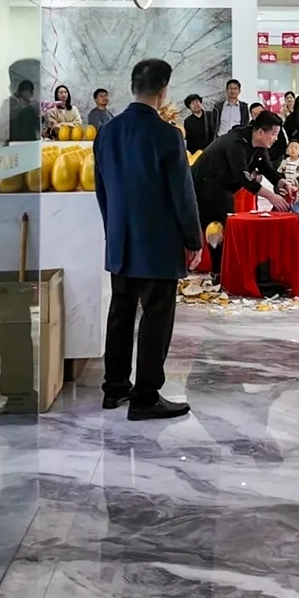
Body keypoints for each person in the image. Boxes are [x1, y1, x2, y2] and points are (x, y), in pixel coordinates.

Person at [94, 58, 203, 421]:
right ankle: (145, 396)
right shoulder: (168, 135)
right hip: (158, 243)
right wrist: (193, 239)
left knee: (120, 313)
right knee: (156, 316)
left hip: (121, 240)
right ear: (163, 91)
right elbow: (182, 195)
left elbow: (102, 191)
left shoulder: (106, 133)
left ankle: (114, 389)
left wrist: (113, 229)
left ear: (132, 87)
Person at [192, 110, 293, 278]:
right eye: (274, 134)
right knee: (217, 227)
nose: (275, 138)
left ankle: (223, 270)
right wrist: (271, 196)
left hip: (224, 188)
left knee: (225, 226)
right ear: (260, 132)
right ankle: (218, 272)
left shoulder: (259, 146)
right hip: (206, 186)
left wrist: (283, 183)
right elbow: (244, 177)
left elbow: (267, 169)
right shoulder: (236, 142)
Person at [278, 139, 299, 221]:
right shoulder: (284, 162)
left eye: (296, 148)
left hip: (298, 194)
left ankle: (298, 226)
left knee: (298, 214)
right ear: (287, 150)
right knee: (283, 214)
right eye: (291, 148)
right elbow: (279, 174)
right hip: (285, 193)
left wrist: (297, 182)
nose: (293, 150)